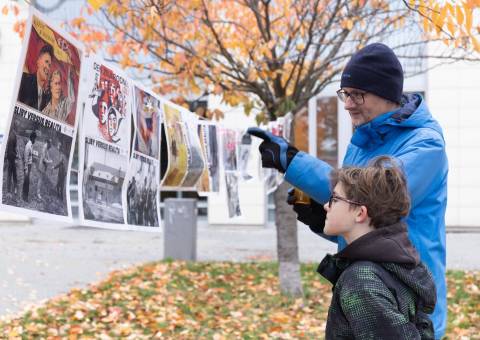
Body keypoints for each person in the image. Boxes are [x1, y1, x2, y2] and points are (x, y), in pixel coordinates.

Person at [248, 43, 448, 339]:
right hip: (366, 289)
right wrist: (323, 217)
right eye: (346, 94)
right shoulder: (362, 141)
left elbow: (371, 195)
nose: (348, 103)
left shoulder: (426, 145)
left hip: (401, 298)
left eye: (358, 94)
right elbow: (364, 221)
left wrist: (293, 162)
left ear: (387, 94)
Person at [319, 156, 436, 339]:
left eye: (334, 199)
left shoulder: (362, 280)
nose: (326, 206)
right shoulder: (394, 263)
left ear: (360, 213)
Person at [18, 44, 53, 111]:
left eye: (50, 65)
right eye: (46, 62)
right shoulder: (24, 79)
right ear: (38, 62)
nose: (48, 67)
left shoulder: (47, 98)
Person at [22, 131, 37, 202]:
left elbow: (30, 154)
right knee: (27, 182)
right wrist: (26, 169)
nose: (35, 140)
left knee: (26, 181)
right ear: (32, 138)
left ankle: (24, 195)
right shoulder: (28, 145)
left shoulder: (31, 145)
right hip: (27, 165)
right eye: (35, 139)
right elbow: (25, 158)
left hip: (29, 165)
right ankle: (25, 197)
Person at [6, 124, 18, 195]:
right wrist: (16, 155)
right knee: (10, 174)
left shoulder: (14, 135)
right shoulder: (12, 137)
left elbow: (14, 147)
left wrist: (16, 152)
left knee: (14, 174)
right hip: (11, 158)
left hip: (12, 158)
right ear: (15, 129)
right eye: (18, 129)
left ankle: (15, 188)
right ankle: (8, 191)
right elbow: (10, 151)